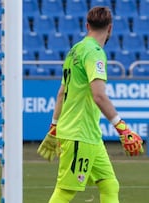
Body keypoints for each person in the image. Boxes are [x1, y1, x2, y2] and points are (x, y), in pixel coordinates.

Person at [37, 6, 144, 203]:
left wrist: (54, 125)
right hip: (79, 133)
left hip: (90, 135)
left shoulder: (74, 50)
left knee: (110, 184)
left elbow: (62, 92)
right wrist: (122, 128)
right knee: (65, 191)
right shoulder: (94, 53)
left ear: (87, 26)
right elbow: (99, 96)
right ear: (110, 28)